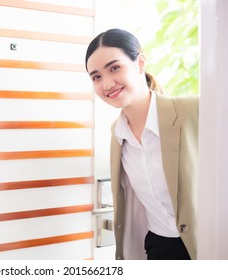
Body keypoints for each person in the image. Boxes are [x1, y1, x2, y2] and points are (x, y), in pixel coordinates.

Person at [85, 28, 199, 260]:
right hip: (159, 248)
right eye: (96, 76)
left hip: (207, 245)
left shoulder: (192, 110)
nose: (106, 84)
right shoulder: (118, 134)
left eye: (114, 68)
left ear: (139, 63)